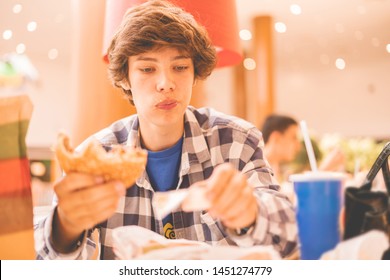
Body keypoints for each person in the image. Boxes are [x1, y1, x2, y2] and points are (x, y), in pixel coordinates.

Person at [34, 0, 297, 260]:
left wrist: (250, 213)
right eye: (147, 68)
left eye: (180, 67)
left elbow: (290, 236)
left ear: (195, 73)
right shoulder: (96, 156)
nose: (165, 83)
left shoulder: (236, 141)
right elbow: (41, 260)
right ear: (125, 78)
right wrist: (65, 228)